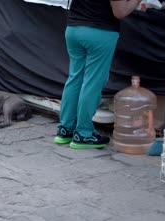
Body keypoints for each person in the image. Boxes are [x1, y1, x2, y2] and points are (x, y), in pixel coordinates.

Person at [54, 0, 142, 149]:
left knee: (75, 78)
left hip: (73, 28)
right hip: (99, 31)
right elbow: (120, 11)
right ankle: (84, 133)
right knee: (93, 81)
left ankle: (65, 129)